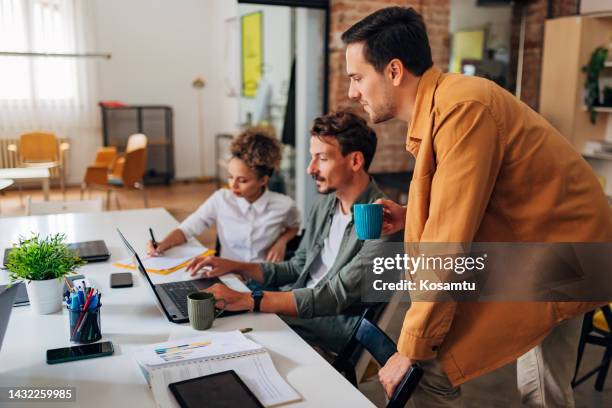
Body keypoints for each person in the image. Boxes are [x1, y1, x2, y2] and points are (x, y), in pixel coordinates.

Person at [341, 6, 612, 407]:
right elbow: (463, 197)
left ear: (394, 71)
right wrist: (411, 214)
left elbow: (449, 241)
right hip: (541, 247)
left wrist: (412, 348)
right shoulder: (445, 106)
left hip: (564, 253)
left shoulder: (461, 108)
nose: (353, 92)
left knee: (433, 365)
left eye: (358, 77)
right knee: (543, 384)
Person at [187, 112, 401, 353]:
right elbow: (297, 267)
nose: (311, 169)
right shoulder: (326, 202)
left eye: (321, 158)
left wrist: (251, 300)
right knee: (221, 316)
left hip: (336, 323)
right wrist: (234, 265)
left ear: (355, 161)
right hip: (301, 302)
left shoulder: (384, 220)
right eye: (312, 158)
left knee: (233, 321)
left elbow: (333, 297)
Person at [147, 127, 300, 263]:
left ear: (263, 180)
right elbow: (188, 228)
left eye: (242, 180)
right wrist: (162, 244)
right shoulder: (221, 199)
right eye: (230, 176)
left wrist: (282, 242)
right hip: (229, 275)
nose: (233, 185)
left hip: (264, 277)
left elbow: (294, 226)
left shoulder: (284, 205)